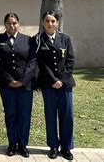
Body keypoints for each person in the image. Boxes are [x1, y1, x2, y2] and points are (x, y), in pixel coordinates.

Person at [0, 13, 37, 158]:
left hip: (25, 85)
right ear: (5, 24)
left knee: (24, 115)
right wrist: (9, 79)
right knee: (10, 114)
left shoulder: (28, 40)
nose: (12, 26)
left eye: (15, 23)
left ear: (19, 24)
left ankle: (23, 145)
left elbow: (32, 61)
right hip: (6, 84)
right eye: (9, 23)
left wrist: (22, 80)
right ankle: (12, 144)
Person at [36, 11, 75, 161]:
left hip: (65, 85)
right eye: (47, 21)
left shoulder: (65, 39)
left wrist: (62, 80)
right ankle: (53, 146)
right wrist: (53, 80)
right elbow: (41, 63)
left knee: (67, 116)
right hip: (48, 84)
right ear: (43, 23)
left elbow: (70, 61)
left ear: (57, 23)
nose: (50, 24)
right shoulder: (38, 40)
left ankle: (66, 147)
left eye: (53, 21)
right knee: (50, 115)